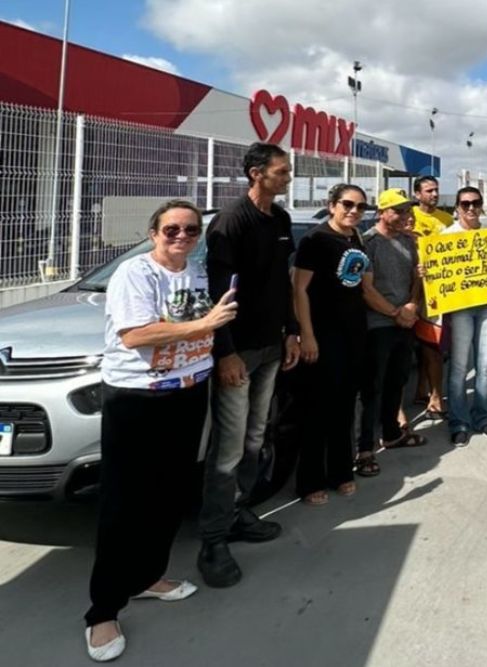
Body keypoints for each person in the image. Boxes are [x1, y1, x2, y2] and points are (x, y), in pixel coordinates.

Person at [85, 200, 237, 662]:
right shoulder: (136, 273)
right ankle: (103, 611)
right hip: (138, 398)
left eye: (191, 231)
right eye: (172, 229)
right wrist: (205, 324)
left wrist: (217, 347)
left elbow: (202, 328)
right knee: (123, 502)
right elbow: (135, 334)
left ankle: (150, 576)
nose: (181, 237)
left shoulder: (193, 271)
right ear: (154, 232)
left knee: (169, 493)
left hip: (188, 392)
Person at [198, 142, 299, 589]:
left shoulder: (280, 220)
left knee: (257, 437)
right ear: (256, 174)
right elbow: (218, 293)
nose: (288, 178)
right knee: (229, 448)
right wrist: (226, 352)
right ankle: (213, 542)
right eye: (281, 172)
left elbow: (283, 282)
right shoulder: (229, 223)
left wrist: (292, 329)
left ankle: (240, 513)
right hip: (239, 352)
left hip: (272, 348)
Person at [292, 184, 371, 505]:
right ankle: (310, 481)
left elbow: (360, 287)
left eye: (360, 207)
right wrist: (306, 334)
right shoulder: (315, 240)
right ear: (332, 205)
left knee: (343, 407)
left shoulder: (356, 238)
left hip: (353, 334)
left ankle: (341, 472)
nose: (353, 211)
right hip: (323, 336)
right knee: (317, 410)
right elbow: (298, 290)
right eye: (347, 204)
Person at [356, 189, 426, 478]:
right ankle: (364, 450)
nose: (403, 215)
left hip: (405, 322)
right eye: (397, 210)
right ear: (382, 212)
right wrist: (395, 312)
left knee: (397, 382)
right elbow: (366, 289)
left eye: (406, 210)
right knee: (372, 388)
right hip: (379, 325)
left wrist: (411, 304)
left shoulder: (408, 242)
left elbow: (416, 278)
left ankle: (392, 434)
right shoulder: (367, 242)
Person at [443, 186, 487, 446]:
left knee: (486, 365)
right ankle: (459, 421)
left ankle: (483, 415)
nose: (470, 208)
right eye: (465, 203)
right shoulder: (445, 236)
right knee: (458, 367)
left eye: (475, 203)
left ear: (481, 206)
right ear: (457, 207)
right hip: (460, 307)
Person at [411, 176, 449, 418]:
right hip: (407, 290)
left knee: (432, 344)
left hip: (435, 292)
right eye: (429, 190)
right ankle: (419, 389)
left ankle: (435, 397)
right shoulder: (409, 216)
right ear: (417, 194)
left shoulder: (447, 219)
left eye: (436, 190)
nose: (434, 194)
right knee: (411, 346)